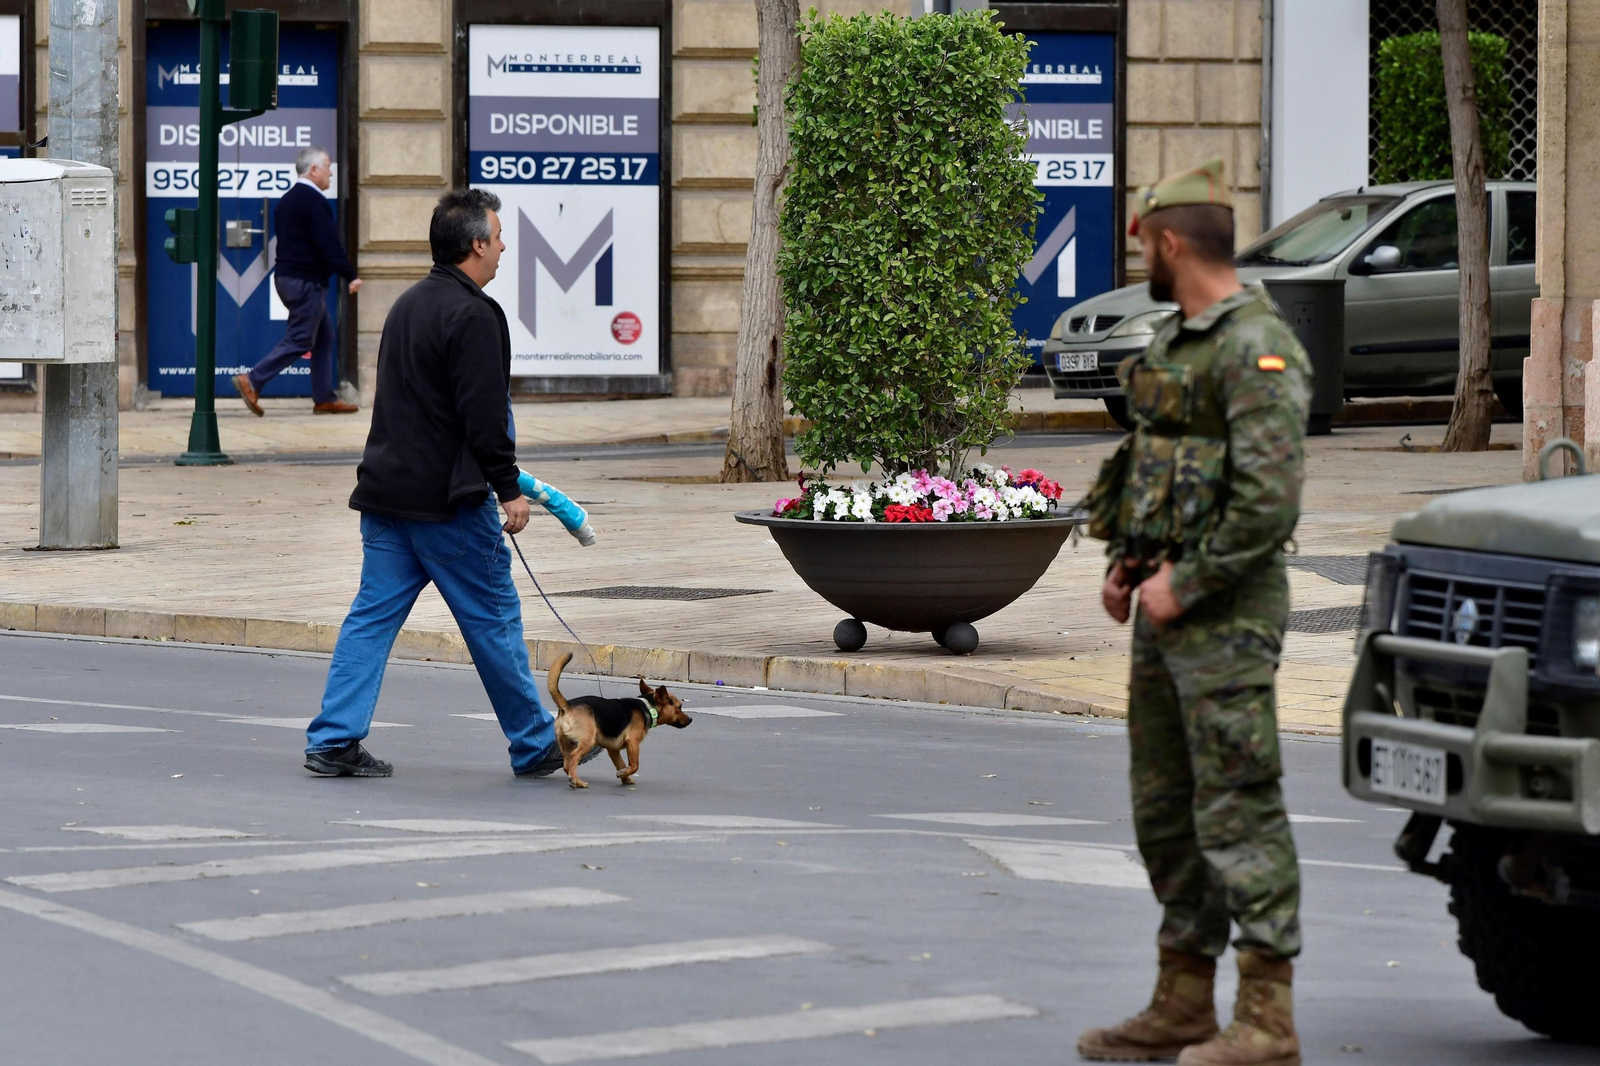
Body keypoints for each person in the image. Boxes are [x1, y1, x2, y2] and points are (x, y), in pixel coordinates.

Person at [1077, 158, 1312, 1066]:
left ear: (1169, 241)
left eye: (1142, 243)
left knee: (1238, 805)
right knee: (1167, 809)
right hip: (1165, 608)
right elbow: (1161, 470)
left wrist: (1189, 581)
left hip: (1228, 616)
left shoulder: (1259, 346)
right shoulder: (1178, 342)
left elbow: (1266, 503)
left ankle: (1268, 1019)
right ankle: (1182, 1000)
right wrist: (1128, 566)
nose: (1141, 257)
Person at [303, 187, 575, 780]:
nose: (503, 247)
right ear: (476, 244)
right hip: (448, 505)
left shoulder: (407, 305)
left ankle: (332, 739)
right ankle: (534, 743)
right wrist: (508, 488)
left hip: (385, 497)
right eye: (499, 237)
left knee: (370, 620)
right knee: (495, 620)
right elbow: (485, 416)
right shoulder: (476, 314)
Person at [233, 145, 361, 416]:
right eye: (327, 167)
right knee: (302, 339)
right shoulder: (314, 202)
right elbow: (329, 244)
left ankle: (324, 396)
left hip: (289, 278)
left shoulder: (288, 199)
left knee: (324, 336)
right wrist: (349, 274)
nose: (330, 173)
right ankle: (253, 379)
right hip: (305, 282)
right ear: (313, 170)